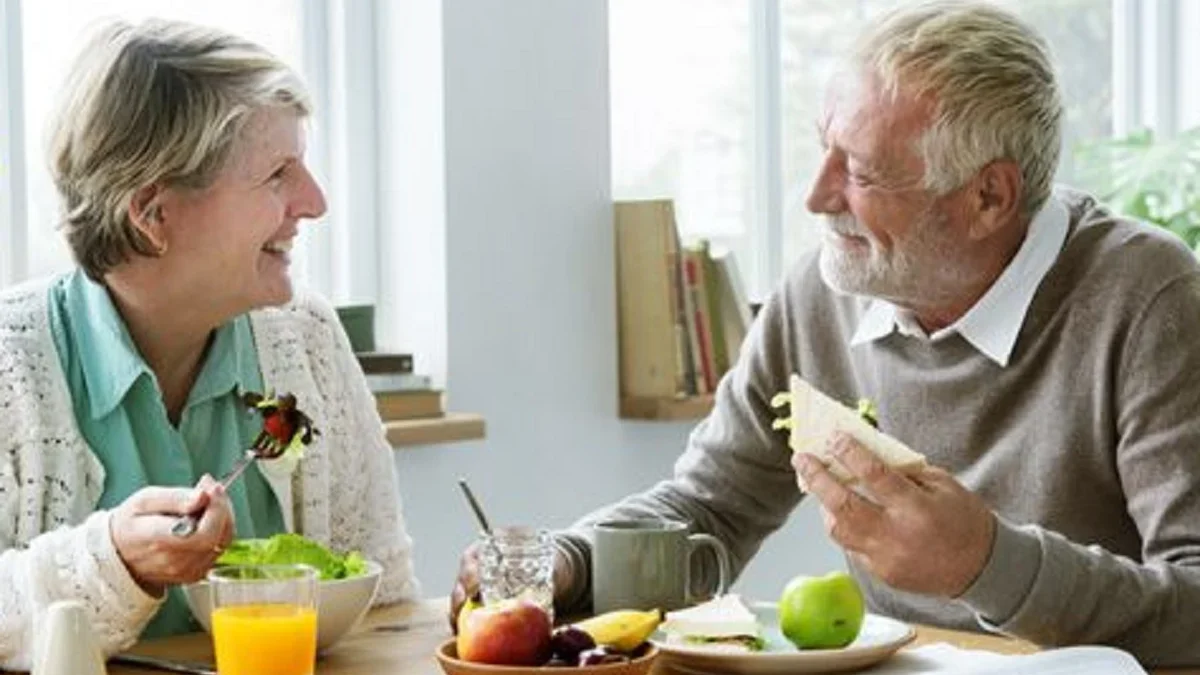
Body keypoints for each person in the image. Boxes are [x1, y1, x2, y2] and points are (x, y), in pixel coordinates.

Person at [453, 0, 1200, 666]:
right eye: (824, 148)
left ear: (988, 196)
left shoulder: (1151, 299)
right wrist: (568, 560)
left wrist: (986, 563)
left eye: (864, 173)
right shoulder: (824, 289)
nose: (816, 197)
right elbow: (710, 505)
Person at [0, 19, 420, 669]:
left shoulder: (306, 339)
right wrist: (112, 560)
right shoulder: (10, 362)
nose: (314, 201)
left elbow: (385, 599)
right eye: (278, 173)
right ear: (154, 213)